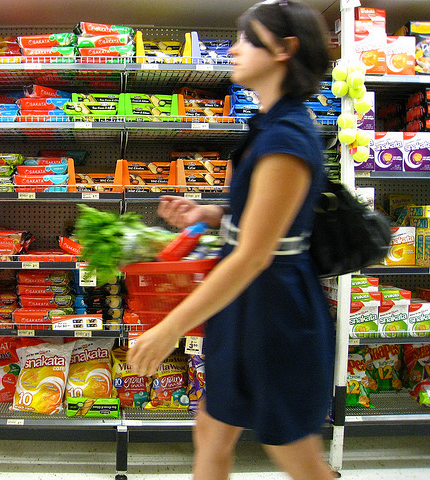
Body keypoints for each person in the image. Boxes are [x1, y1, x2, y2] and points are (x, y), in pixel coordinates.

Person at [127, 1, 336, 479]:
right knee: (211, 430)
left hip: (276, 316)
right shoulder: (267, 125)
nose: (234, 48)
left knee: (298, 457)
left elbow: (254, 255)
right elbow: (261, 220)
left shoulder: (289, 137)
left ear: (285, 49)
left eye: (248, 38)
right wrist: (209, 213)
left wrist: (169, 329)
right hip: (245, 309)